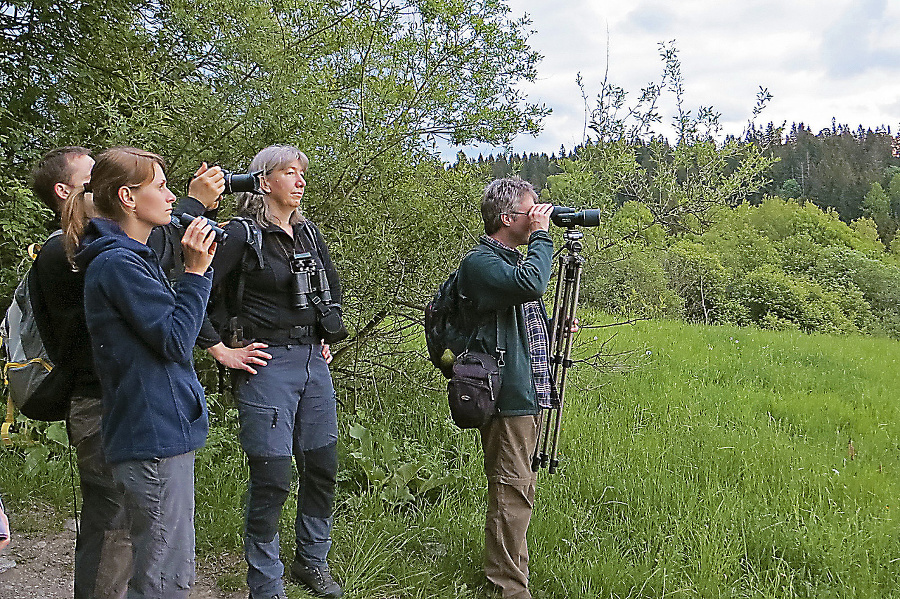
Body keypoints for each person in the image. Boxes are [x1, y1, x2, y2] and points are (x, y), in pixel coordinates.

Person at [31, 147, 223, 599]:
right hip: (149, 430)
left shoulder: (129, 256)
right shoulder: (117, 262)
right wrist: (196, 274)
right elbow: (175, 341)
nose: (172, 195)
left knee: (153, 559)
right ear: (128, 198)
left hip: (152, 425)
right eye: (160, 186)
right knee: (163, 573)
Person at [200, 144, 343, 599]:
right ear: (264, 182)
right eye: (289, 172)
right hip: (265, 366)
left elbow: (330, 287)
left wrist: (324, 332)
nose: (300, 180)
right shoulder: (241, 235)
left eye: (303, 172)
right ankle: (265, 582)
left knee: (321, 466)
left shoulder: (308, 233)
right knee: (272, 475)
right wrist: (221, 350)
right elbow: (196, 288)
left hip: (311, 364)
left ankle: (311, 561)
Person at [457, 177, 555, 599]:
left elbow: (521, 316)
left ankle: (512, 580)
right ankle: (508, 591)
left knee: (519, 488)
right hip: (505, 395)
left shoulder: (510, 262)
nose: (538, 216)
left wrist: (552, 329)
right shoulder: (481, 262)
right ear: (506, 218)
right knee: (510, 489)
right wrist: (543, 238)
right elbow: (531, 285)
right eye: (531, 210)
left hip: (526, 389)